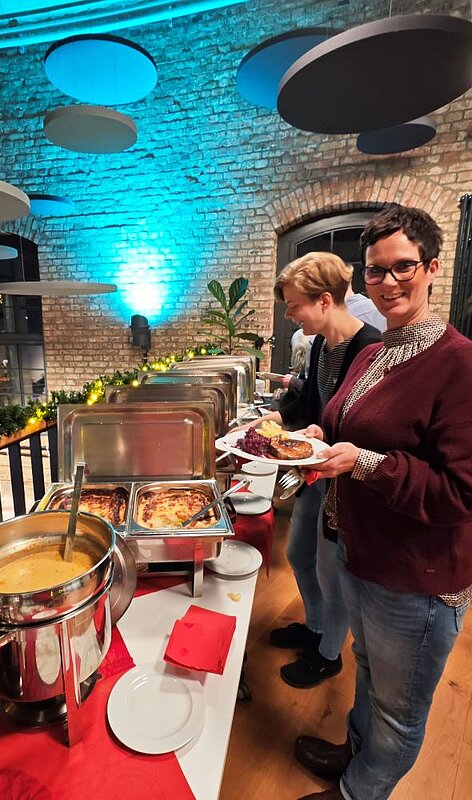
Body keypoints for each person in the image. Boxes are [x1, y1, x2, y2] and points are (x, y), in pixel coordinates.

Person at [294, 205, 472, 800]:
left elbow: (461, 492)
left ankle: (358, 792)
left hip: (417, 573)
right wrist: (318, 436)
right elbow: (345, 423)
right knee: (368, 673)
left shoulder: (460, 364)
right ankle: (353, 754)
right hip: (361, 552)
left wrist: (365, 463)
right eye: (375, 271)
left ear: (432, 269)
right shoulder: (373, 353)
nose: (389, 281)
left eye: (403, 267)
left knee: (398, 711)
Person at [240, 252, 382, 688]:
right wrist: (264, 426)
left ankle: (328, 653)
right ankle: (316, 625)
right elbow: (306, 404)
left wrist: (323, 437)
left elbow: (368, 430)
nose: (288, 315)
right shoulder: (322, 343)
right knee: (298, 554)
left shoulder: (371, 348)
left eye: (293, 305)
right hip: (315, 477)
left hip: (345, 487)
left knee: (331, 571)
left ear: (324, 300)